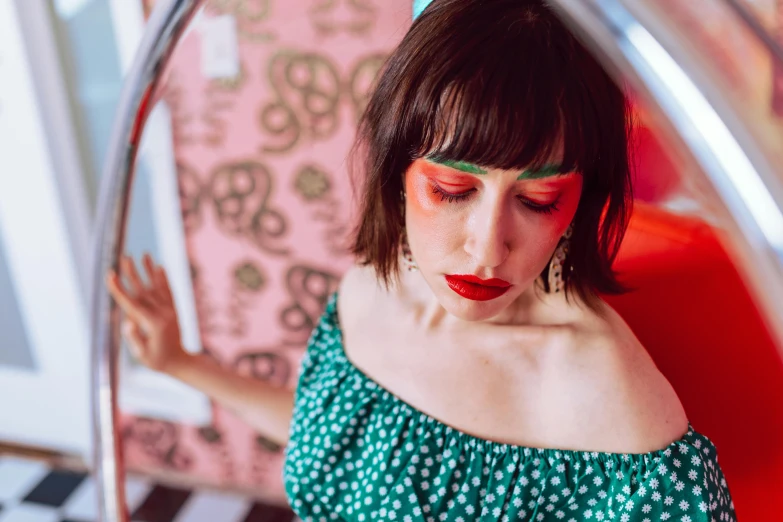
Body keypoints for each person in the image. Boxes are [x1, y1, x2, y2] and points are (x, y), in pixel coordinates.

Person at [106, 0, 737, 520]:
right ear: (395, 173)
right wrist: (181, 364)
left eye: (538, 199)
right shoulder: (368, 291)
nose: (487, 249)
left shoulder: (608, 400)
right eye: (452, 192)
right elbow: (337, 452)